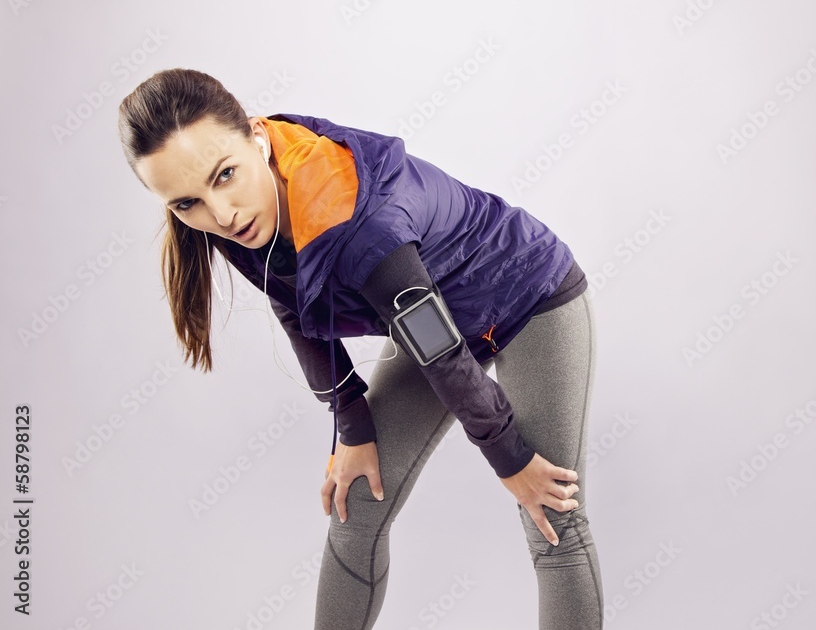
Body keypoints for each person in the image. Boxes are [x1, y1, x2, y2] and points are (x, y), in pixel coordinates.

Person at [118, 68, 604, 629]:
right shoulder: (236, 215)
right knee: (356, 511)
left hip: (529, 296)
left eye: (225, 176)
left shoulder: (361, 226)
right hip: (425, 323)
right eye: (186, 204)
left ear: (256, 136)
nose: (220, 214)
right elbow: (293, 300)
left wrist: (510, 458)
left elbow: (439, 349)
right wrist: (352, 425)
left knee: (551, 521)